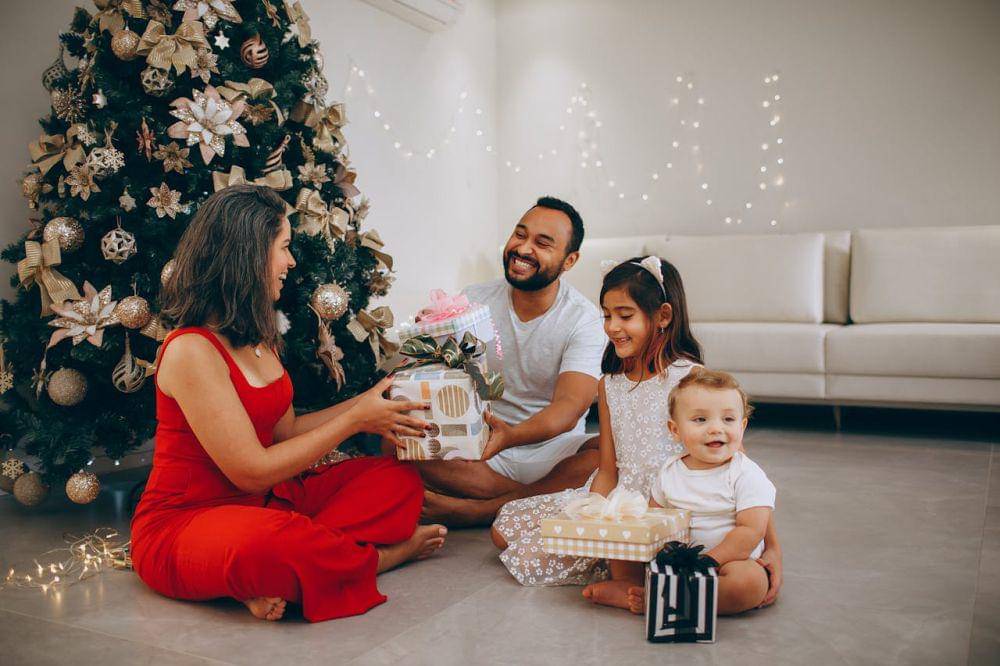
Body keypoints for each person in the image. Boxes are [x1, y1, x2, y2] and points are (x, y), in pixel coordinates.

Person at [130, 185, 446, 623]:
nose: (291, 261)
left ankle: (271, 574)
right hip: (187, 522)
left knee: (397, 480)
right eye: (284, 247)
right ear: (250, 255)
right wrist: (354, 421)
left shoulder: (258, 338)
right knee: (272, 545)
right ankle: (377, 559)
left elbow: (287, 432)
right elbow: (251, 471)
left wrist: (366, 402)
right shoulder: (191, 350)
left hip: (269, 505)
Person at [491, 256, 702, 587]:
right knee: (504, 531)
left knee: (639, 556)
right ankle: (612, 557)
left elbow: (733, 465)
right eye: (606, 315)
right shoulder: (609, 386)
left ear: (663, 316)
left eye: (625, 316)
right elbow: (607, 471)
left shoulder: (690, 380)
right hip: (613, 499)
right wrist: (591, 518)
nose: (612, 327)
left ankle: (625, 568)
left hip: (663, 507)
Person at [413, 197, 608, 526]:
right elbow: (441, 376)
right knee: (397, 444)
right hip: (481, 450)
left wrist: (510, 435)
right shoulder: (474, 300)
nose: (523, 248)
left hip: (552, 452)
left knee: (609, 454)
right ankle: (531, 500)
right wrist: (429, 337)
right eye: (520, 234)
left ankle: (479, 510)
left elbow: (570, 407)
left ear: (569, 260)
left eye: (542, 243)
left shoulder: (584, 319)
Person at [618, 368, 777, 616]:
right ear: (675, 430)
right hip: (679, 561)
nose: (716, 428)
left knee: (748, 583)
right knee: (625, 547)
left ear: (743, 425)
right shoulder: (669, 471)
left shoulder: (746, 473)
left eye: (728, 419)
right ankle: (644, 589)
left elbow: (751, 531)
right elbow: (655, 519)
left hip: (731, 562)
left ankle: (662, 601)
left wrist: (707, 562)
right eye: (700, 420)